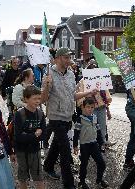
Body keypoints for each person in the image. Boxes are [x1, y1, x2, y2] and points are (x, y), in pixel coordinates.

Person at [41, 47, 97, 189]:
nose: (69, 60)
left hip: (68, 115)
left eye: (69, 57)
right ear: (58, 58)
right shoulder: (49, 74)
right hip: (55, 116)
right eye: (66, 58)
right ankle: (69, 184)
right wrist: (46, 86)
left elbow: (73, 95)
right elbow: (43, 99)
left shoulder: (71, 74)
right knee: (65, 150)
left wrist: (88, 92)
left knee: (56, 145)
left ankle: (47, 166)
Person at [76, 61, 113, 151]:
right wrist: (83, 109)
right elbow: (80, 97)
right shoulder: (83, 81)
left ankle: (102, 144)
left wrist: (108, 110)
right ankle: (91, 145)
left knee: (102, 127)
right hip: (90, 108)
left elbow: (106, 97)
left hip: (101, 107)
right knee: (90, 128)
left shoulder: (101, 79)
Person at [14, 85, 45, 189]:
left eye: (39, 98)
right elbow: (18, 137)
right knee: (23, 177)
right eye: (34, 99)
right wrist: (35, 134)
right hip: (22, 151)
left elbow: (44, 134)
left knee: (39, 177)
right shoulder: (19, 114)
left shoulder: (40, 114)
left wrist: (29, 135)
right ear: (26, 99)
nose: (37, 101)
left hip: (35, 150)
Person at [73, 97, 109, 189]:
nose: (90, 109)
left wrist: (102, 142)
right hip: (84, 145)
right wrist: (75, 145)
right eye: (88, 107)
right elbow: (76, 133)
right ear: (83, 107)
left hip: (94, 144)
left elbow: (98, 131)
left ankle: (99, 179)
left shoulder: (95, 117)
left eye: (92, 107)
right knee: (84, 164)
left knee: (101, 163)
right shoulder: (79, 119)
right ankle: (82, 182)